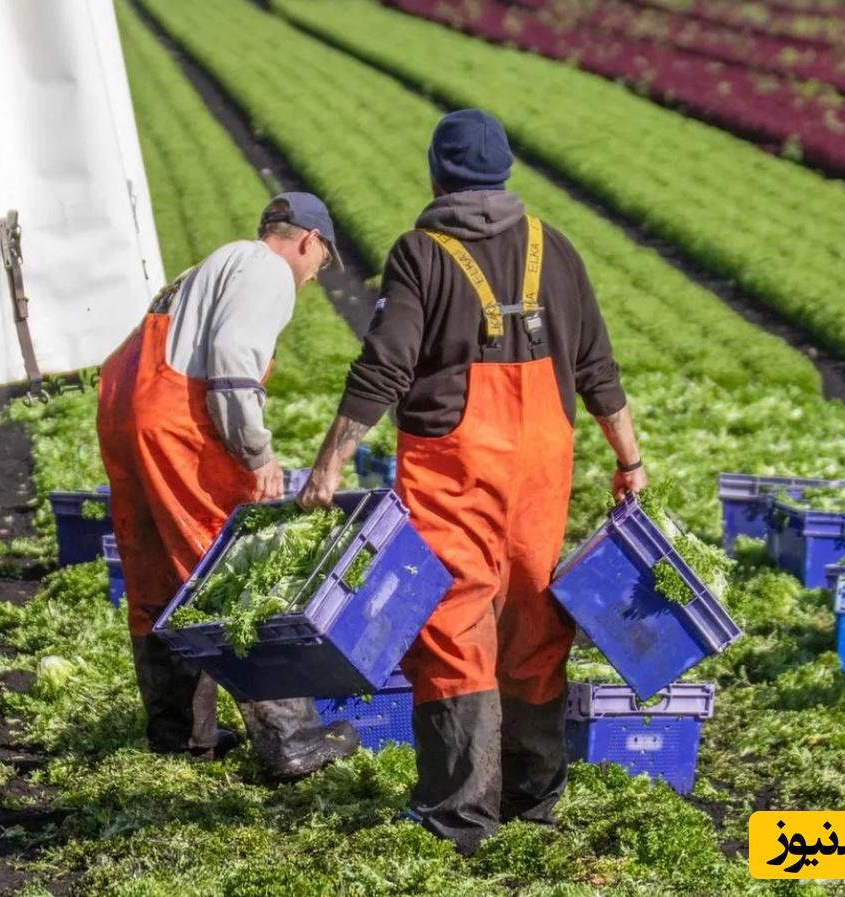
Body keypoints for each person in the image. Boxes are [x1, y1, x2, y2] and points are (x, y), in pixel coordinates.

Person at [296, 110, 648, 853]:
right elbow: (598, 370)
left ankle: (460, 814)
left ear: (437, 176)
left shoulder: (421, 255)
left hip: (455, 470)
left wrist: (329, 460)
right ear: (506, 172)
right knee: (533, 618)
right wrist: (631, 459)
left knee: (454, 624)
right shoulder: (557, 249)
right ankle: (533, 796)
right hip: (543, 466)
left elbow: (382, 369)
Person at [97, 192, 361, 780]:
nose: (316, 277)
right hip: (176, 424)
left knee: (160, 575)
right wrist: (256, 451)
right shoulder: (265, 268)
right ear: (308, 241)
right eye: (322, 262)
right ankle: (290, 738)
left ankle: (179, 735)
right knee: (228, 571)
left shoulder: (207, 268)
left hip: (125, 412)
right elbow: (233, 360)